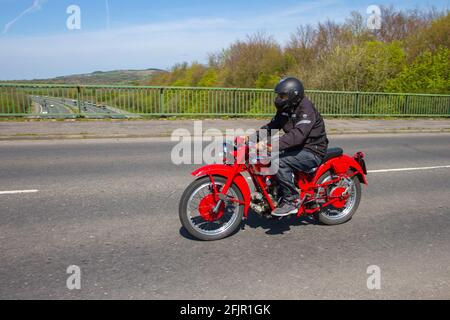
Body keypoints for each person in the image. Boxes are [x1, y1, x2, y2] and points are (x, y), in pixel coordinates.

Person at [251, 77, 329, 217]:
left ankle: (291, 200)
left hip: (312, 150)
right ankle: (275, 193)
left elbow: (298, 135)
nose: (279, 99)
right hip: (297, 147)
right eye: (279, 95)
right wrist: (250, 139)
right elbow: (272, 127)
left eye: (283, 95)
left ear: (294, 94)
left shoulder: (306, 109)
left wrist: (271, 145)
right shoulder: (286, 109)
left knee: (279, 162)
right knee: (265, 158)